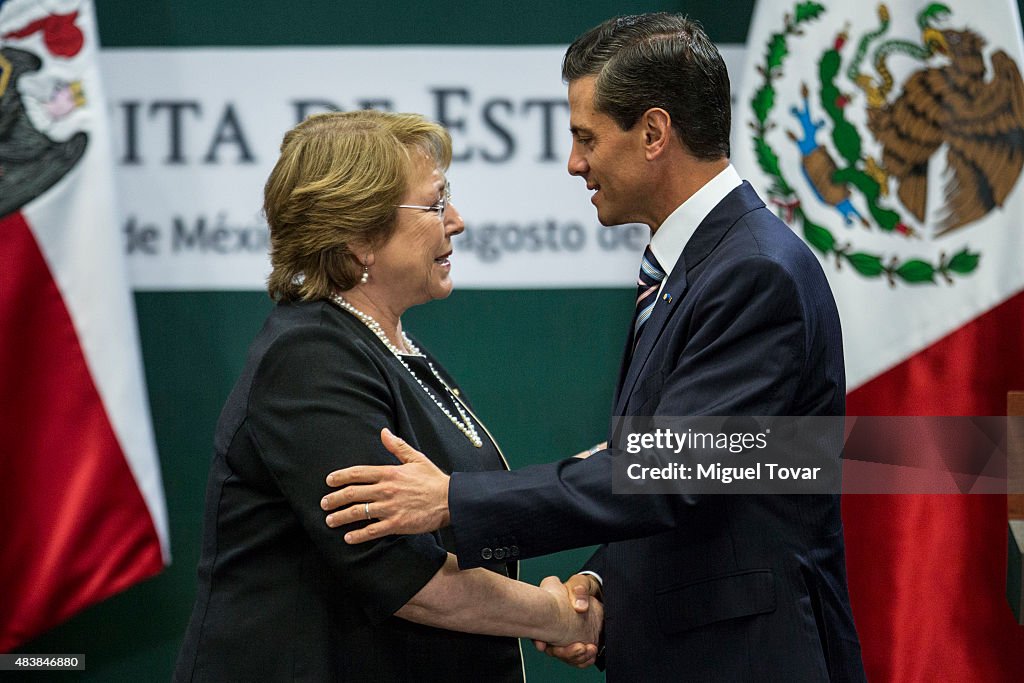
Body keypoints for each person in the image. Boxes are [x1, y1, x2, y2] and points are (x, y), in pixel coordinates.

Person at [319, 13, 868, 682]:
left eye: (587, 138)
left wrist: (455, 500)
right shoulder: (701, 267)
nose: (575, 162)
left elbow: (671, 473)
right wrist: (605, 586)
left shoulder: (753, 272)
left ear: (655, 133)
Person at [173, 110, 601, 682]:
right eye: (434, 204)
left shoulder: (386, 345)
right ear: (357, 238)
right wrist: (557, 617)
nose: (456, 221)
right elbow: (402, 575)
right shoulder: (309, 359)